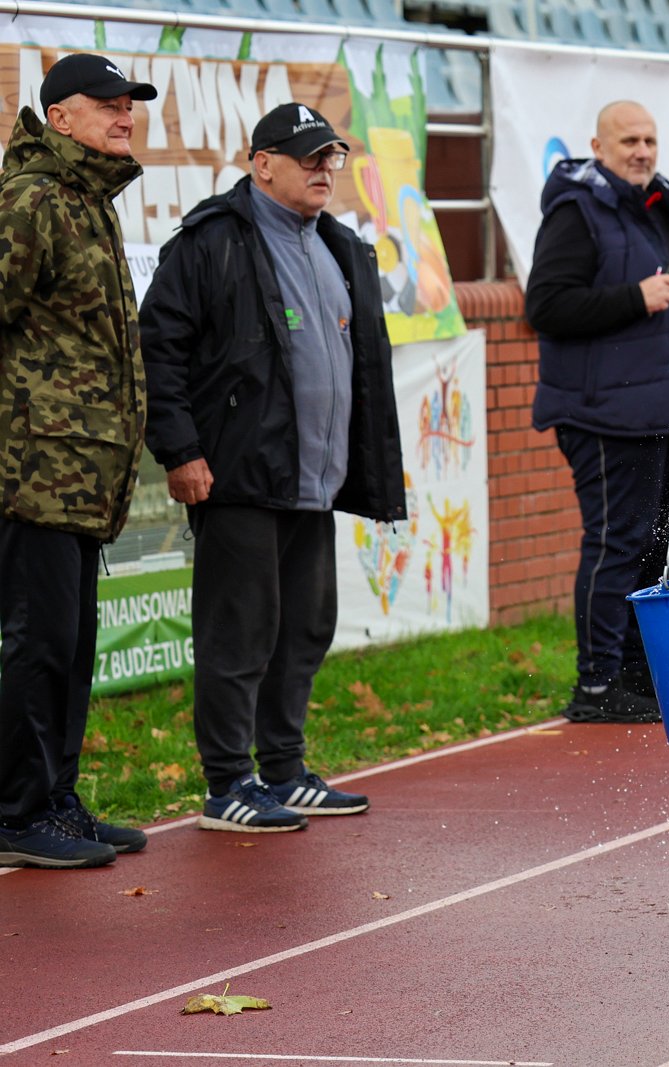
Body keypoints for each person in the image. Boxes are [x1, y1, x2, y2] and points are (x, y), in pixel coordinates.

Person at [140, 103, 405, 833]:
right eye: (308, 157)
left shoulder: (341, 246)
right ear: (261, 164)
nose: (325, 169)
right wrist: (181, 450)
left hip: (315, 479)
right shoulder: (212, 240)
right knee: (240, 634)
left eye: (331, 157)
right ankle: (228, 783)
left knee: (304, 629)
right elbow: (160, 348)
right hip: (240, 475)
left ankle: (284, 770)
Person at [525, 100, 669, 725]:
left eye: (649, 140)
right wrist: (632, 299)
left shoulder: (663, 210)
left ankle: (641, 675)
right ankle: (596, 685)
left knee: (664, 544)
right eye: (628, 141)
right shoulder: (576, 211)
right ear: (598, 147)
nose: (641, 151)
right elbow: (545, 306)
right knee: (618, 543)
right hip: (606, 418)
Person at [0, 54, 159, 869]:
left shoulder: (88, 200)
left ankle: (57, 799)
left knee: (69, 645)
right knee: (38, 643)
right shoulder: (31, 199)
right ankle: (16, 812)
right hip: (34, 473)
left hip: (85, 478)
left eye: (129, 103)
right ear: (59, 117)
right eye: (106, 104)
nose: (124, 114)